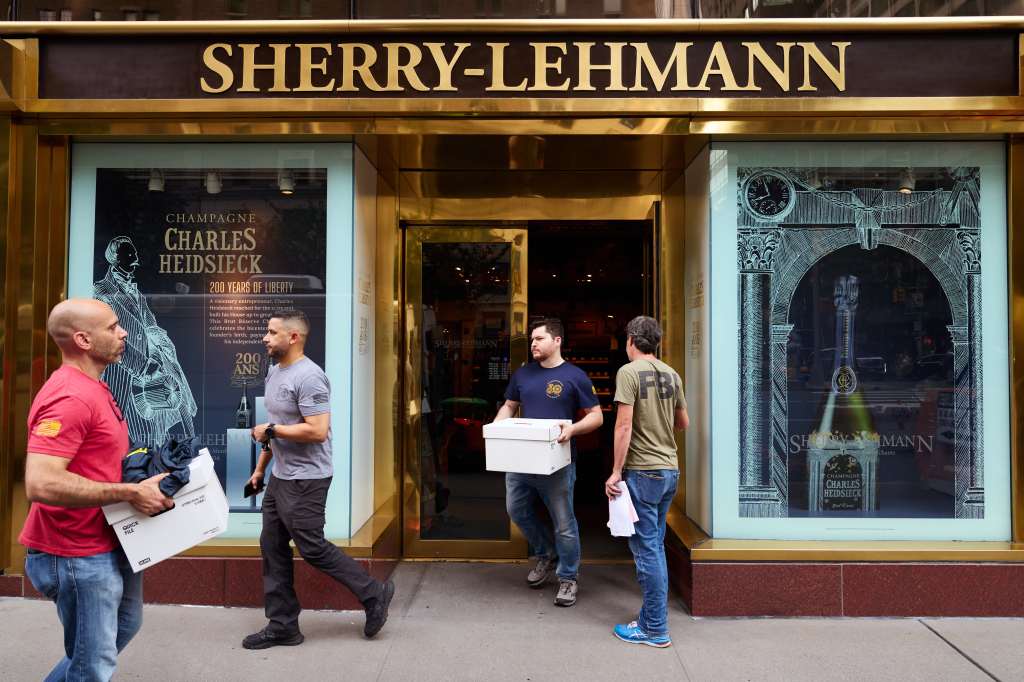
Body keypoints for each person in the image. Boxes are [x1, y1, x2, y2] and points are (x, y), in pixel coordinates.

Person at [20, 298, 175, 681]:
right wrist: (128, 492)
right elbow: (41, 481)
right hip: (74, 552)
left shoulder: (95, 386)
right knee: (94, 664)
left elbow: (96, 463)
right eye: (112, 327)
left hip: (108, 540)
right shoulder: (69, 397)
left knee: (122, 627)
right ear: (83, 340)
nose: (123, 332)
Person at [244, 310, 395, 649]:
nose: (265, 338)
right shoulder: (274, 373)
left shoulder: (310, 377)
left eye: (271, 332)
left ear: (293, 337)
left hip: (308, 479)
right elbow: (278, 427)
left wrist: (270, 430)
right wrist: (260, 468)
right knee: (272, 547)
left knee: (311, 547)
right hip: (281, 477)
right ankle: (282, 625)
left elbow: (316, 430)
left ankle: (373, 593)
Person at [493, 318, 603, 607]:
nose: (533, 344)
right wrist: (495, 430)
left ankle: (568, 577)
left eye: (539, 339)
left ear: (557, 341)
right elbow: (509, 406)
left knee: (564, 523)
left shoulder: (575, 376)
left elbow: (596, 415)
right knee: (515, 509)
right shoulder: (522, 375)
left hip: (558, 463)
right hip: (521, 460)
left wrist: (574, 429)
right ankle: (545, 553)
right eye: (531, 340)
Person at [605, 315, 688, 648]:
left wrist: (614, 472)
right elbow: (684, 422)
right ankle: (654, 620)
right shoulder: (672, 373)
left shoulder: (628, 372)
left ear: (631, 340)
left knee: (647, 551)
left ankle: (654, 628)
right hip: (669, 470)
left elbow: (623, 426)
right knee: (655, 546)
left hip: (643, 470)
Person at [94, 235, 196, 445]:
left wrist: (163, 346)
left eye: (134, 252)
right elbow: (108, 339)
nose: (134, 256)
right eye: (128, 253)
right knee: (129, 436)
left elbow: (150, 324)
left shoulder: (136, 292)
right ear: (115, 258)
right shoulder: (101, 292)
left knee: (156, 431)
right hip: (125, 374)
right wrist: (142, 366)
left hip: (153, 372)